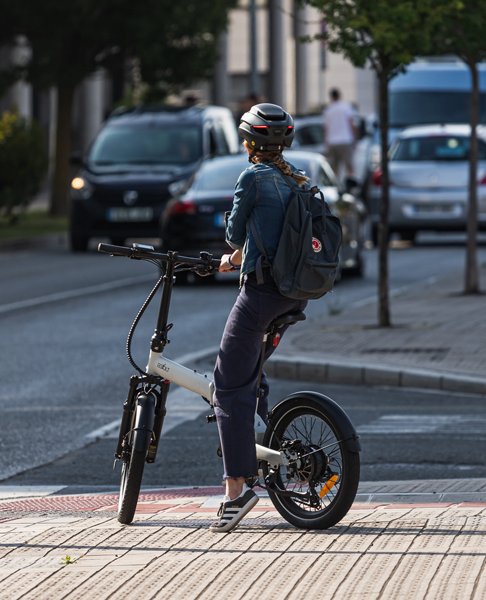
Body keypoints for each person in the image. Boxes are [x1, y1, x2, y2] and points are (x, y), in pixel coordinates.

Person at [210, 103, 310, 533]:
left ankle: (236, 490)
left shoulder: (252, 177)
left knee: (228, 385)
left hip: (261, 295)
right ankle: (266, 450)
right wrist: (240, 256)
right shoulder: (298, 177)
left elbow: (234, 233)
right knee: (251, 375)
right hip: (295, 296)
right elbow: (277, 236)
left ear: (249, 143)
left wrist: (233, 253)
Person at [322, 88, 358, 179]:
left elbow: (326, 128)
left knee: (334, 168)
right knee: (349, 167)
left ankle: (336, 184)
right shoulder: (346, 107)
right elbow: (352, 124)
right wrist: (354, 139)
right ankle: (350, 185)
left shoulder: (328, 109)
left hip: (332, 141)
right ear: (339, 95)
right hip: (345, 140)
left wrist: (326, 143)